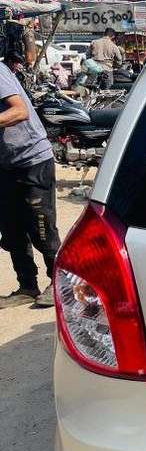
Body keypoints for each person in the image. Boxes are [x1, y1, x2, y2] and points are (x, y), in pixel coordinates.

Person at [0, 58, 60, 308]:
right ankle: (27, 286)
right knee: (11, 228)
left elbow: (19, 110)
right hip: (5, 163)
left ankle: (58, 283)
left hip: (32, 157)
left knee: (41, 225)